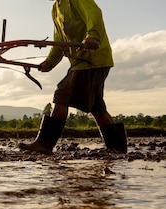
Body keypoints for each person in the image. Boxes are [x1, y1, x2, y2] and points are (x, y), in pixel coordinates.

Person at [19, 0, 127, 154]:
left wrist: (93, 36)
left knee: (62, 95)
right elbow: (59, 41)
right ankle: (117, 148)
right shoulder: (56, 8)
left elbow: (94, 14)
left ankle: (44, 144)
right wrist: (50, 61)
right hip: (80, 62)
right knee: (96, 106)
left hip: (92, 59)